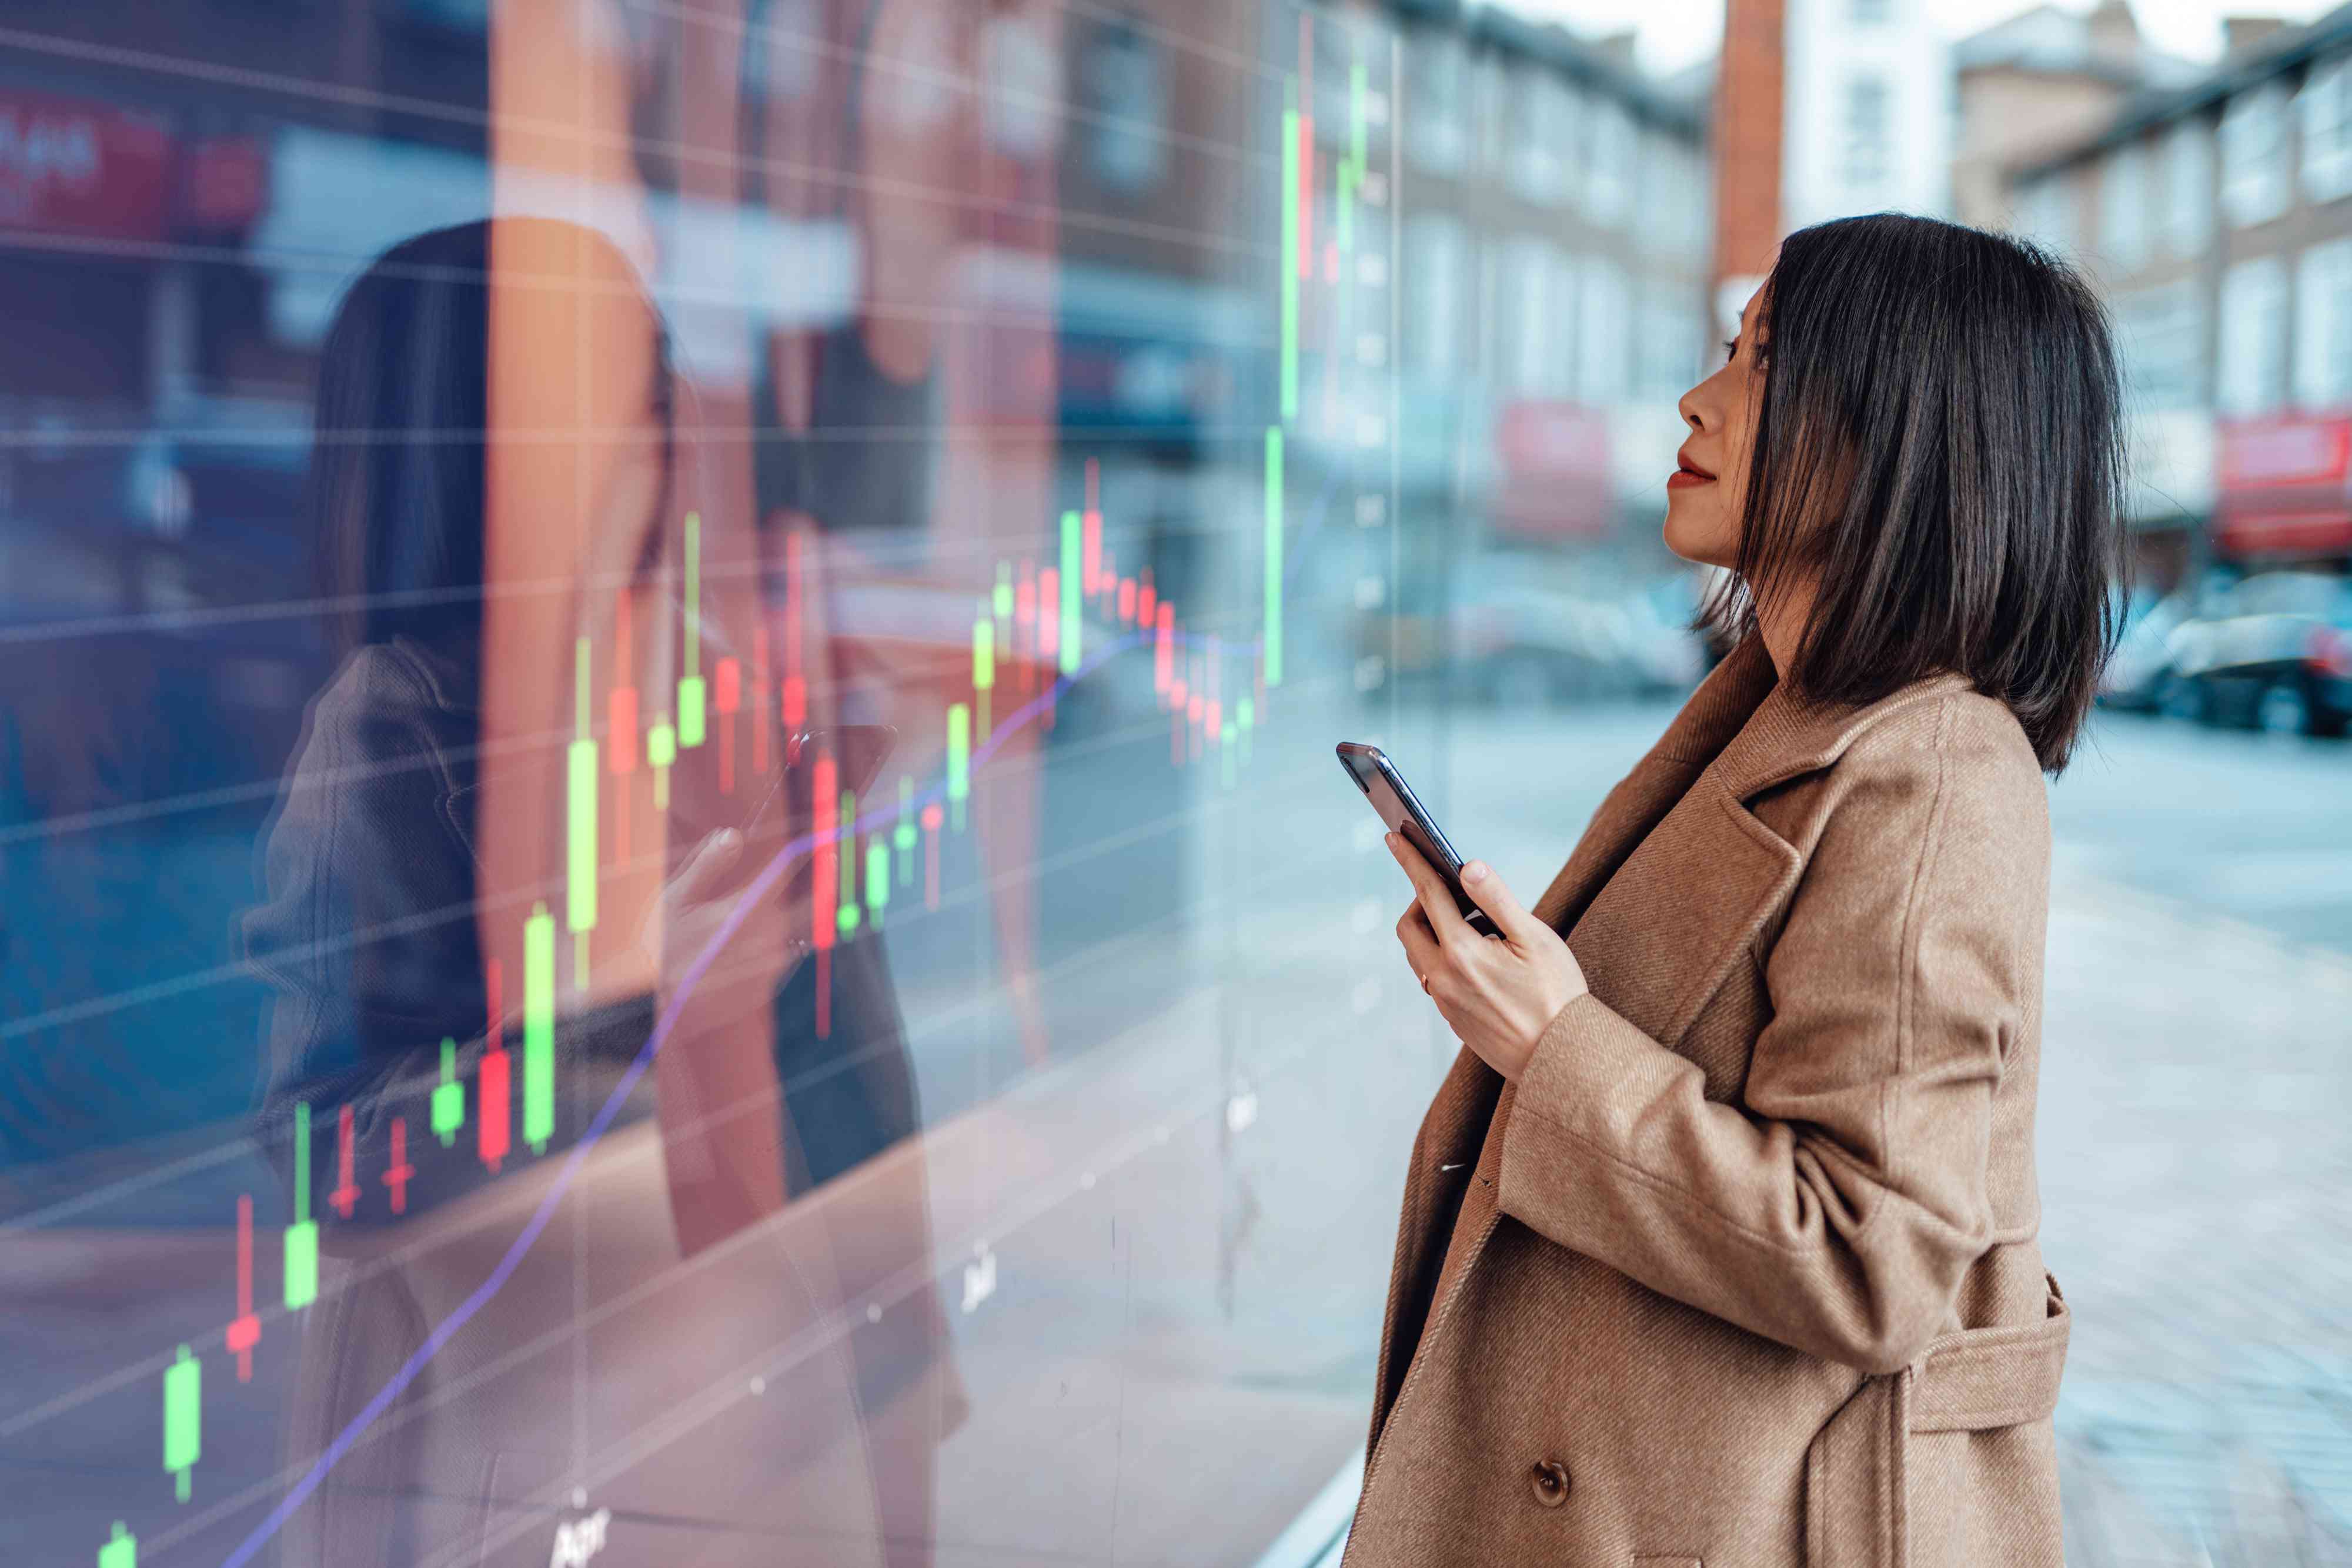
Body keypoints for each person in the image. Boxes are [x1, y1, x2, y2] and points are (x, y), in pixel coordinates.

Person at [1348, 213, 2123, 1566]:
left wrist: (1549, 1043)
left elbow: (1872, 1253)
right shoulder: (1780, 711)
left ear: (1896, 427)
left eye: (1762, 360)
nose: (1696, 398)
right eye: (1727, 347)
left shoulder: (1928, 768)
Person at [242, 218, 960, 1566]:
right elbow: (325, 1143)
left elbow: (861, 1088)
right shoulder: (402, 724)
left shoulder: (721, 700)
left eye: (661, 375)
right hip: (508, 1430)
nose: (678, 419)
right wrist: (647, 1008)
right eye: (634, 384)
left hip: (747, 1380)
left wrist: (902, 1406)